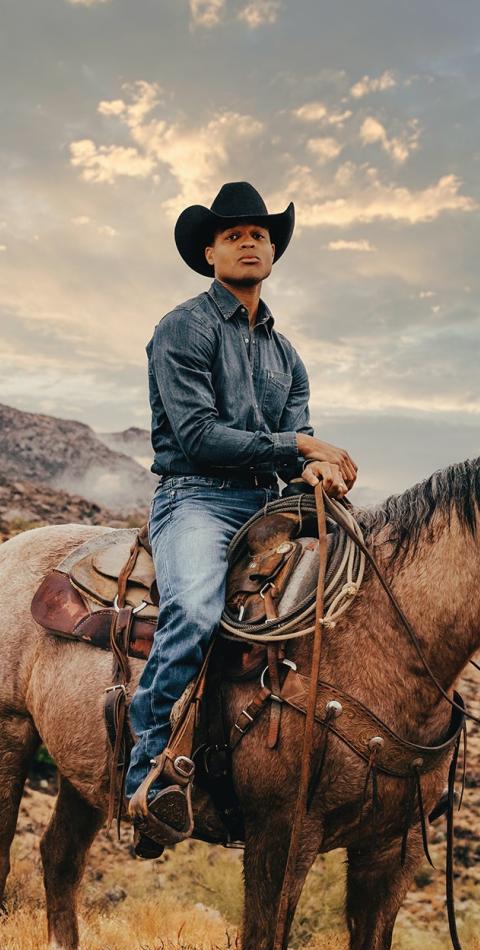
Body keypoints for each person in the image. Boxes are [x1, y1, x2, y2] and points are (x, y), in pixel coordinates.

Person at [125, 181, 358, 855]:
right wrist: (300, 447)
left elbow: (296, 436)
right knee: (195, 609)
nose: (249, 240)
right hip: (197, 495)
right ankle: (145, 779)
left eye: (259, 233)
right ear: (209, 252)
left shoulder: (287, 357)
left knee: (356, 591)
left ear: (273, 251)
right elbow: (197, 435)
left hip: (270, 504)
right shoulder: (182, 329)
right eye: (233, 234)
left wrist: (313, 470)